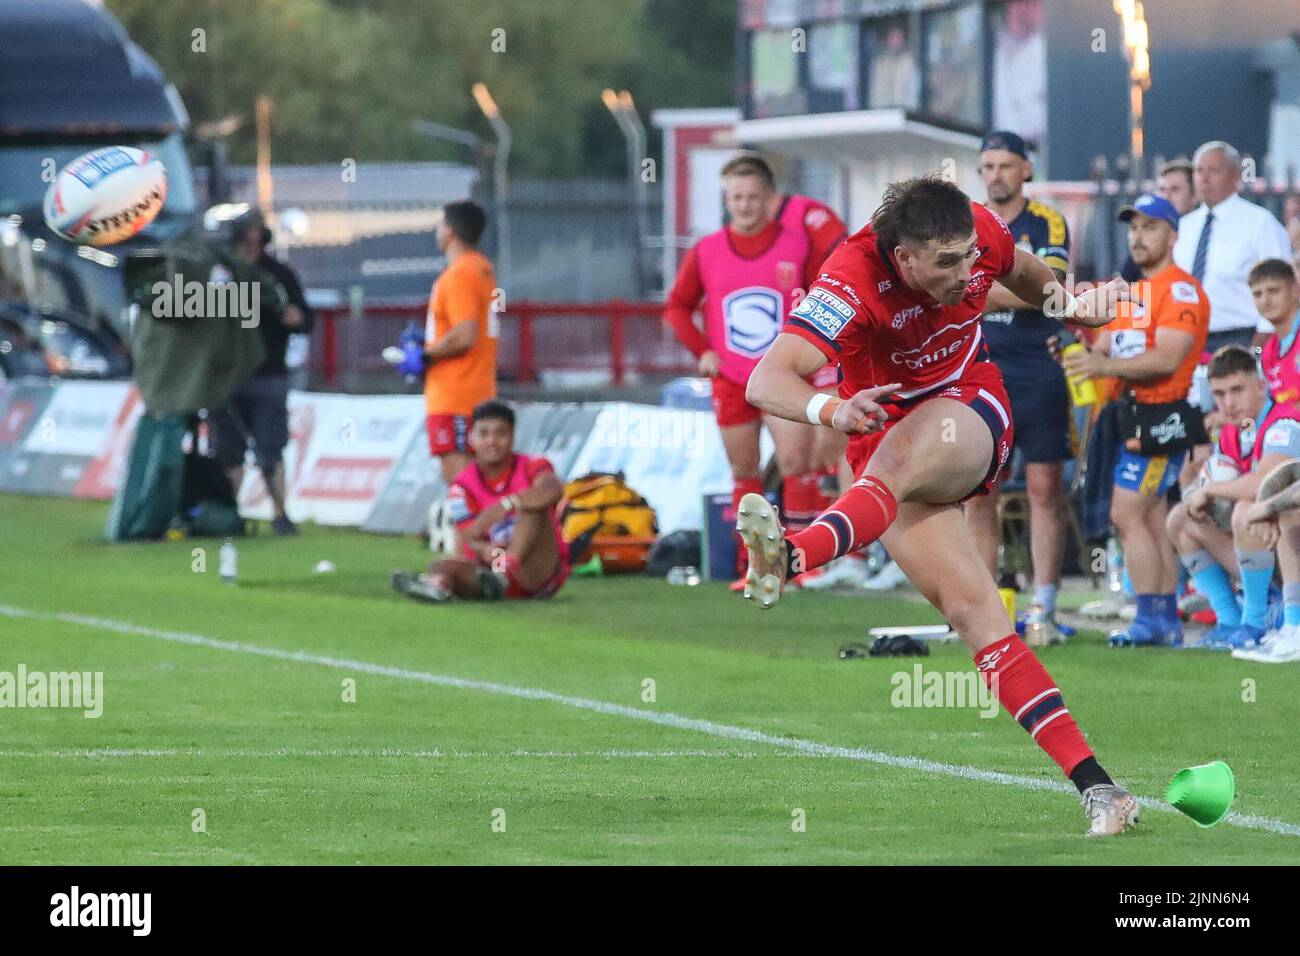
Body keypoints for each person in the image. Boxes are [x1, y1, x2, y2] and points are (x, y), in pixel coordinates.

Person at [736, 174, 1138, 835]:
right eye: (948, 262)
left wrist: (1068, 305)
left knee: (897, 460)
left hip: (970, 413)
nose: (968, 270)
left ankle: (793, 554)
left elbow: (1026, 270)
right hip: (882, 450)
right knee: (975, 617)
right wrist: (833, 408)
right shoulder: (850, 277)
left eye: (969, 255)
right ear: (904, 260)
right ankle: (1101, 789)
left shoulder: (979, 232)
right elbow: (765, 379)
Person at [663, 152, 847, 584]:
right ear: (726, 200)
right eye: (735, 197)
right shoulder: (706, 250)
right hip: (730, 378)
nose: (744, 205)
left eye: (752, 196)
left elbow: (822, 295)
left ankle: (804, 563)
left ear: (769, 199)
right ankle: (758, 565)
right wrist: (702, 350)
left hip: (784, 375)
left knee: (795, 462)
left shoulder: (796, 243)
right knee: (745, 474)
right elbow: (675, 307)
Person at [1063, 194, 1210, 646]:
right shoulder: (1127, 292)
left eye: (1150, 227)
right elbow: (1106, 348)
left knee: (1126, 513)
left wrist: (1105, 368)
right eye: (1133, 227)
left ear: (1172, 234)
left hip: (1160, 416)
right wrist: (1085, 357)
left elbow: (1167, 358)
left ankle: (1149, 616)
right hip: (1124, 418)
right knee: (1149, 516)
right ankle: (1161, 618)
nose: (1138, 236)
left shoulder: (1180, 289)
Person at [965, 130, 1073, 639]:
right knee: (979, 490)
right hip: (980, 368)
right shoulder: (965, 223)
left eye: (1005, 166)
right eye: (987, 167)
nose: (995, 176)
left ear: (1026, 170)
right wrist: (1013, 291)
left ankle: (1044, 608)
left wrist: (978, 295)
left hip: (1038, 369)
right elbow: (945, 293)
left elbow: (1048, 293)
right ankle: (988, 612)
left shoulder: (1047, 221)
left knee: (1044, 487)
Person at [1166, 346, 1300, 649]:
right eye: (1219, 394)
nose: (1228, 403)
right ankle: (1229, 620)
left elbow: (1262, 484)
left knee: (1246, 509)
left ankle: (1258, 622)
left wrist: (1209, 490)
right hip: (1269, 548)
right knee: (1180, 518)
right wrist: (1192, 489)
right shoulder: (1231, 434)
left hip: (1292, 545)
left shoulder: (1284, 423)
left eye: (1237, 390)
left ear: (1260, 387)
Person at [391, 400, 569, 603]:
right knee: (441, 567)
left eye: (500, 433)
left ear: (512, 437)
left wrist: (507, 504)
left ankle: (503, 572)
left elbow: (552, 490)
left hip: (535, 569)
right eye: (484, 434)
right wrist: (486, 550)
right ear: (472, 439)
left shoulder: (533, 465)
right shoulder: (462, 485)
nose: (492, 441)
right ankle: (436, 586)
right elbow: (469, 534)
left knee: (533, 504)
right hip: (492, 567)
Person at [210, 209, 310, 535]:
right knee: (228, 451)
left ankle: (280, 513)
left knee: (271, 448)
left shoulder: (278, 274)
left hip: (269, 373)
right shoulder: (221, 274)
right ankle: (228, 513)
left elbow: (305, 318)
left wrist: (295, 317)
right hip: (229, 375)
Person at [1173, 141, 1292, 352]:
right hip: (1187, 340)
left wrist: (1261, 343)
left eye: (1214, 170)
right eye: (1199, 170)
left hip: (1242, 338)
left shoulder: (1260, 223)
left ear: (1236, 175)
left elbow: (1282, 283)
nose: (1204, 178)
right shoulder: (1184, 227)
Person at [423, 201, 499, 485]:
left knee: (462, 487)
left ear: (450, 231)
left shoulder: (459, 274)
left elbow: (466, 334)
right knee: (477, 486)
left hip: (456, 393)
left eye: (440, 224)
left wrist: (426, 355)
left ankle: (468, 532)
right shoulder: (482, 269)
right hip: (478, 388)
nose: (437, 230)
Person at [1119, 160, 1196, 282]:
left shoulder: (1204, 238)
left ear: (1194, 195)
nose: (1166, 196)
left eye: (1175, 189)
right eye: (1162, 189)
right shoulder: (1146, 243)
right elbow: (1125, 283)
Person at [1252, 258, 1300, 404]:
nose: (1265, 301)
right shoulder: (1268, 351)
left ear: (1295, 290)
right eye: (1257, 294)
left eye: (1273, 291)